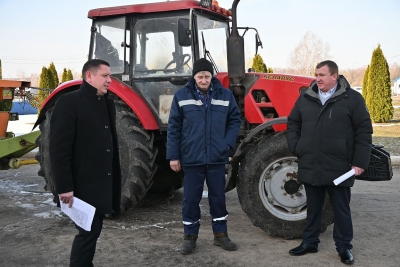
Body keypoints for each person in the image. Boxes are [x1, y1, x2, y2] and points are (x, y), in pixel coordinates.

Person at [286, 60, 372, 265]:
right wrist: (297, 147)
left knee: (340, 208)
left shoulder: (352, 99)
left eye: (322, 75)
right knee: (313, 206)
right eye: (316, 74)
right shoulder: (306, 98)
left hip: (339, 165)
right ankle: (310, 242)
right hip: (311, 161)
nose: (318, 78)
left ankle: (344, 247)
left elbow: (364, 131)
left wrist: (359, 162)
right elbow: (293, 122)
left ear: (335, 76)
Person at [50, 59, 121, 266]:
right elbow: (59, 150)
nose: (109, 80)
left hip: (100, 183)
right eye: (105, 76)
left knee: (92, 231)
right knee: (88, 232)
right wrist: (64, 187)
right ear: (89, 76)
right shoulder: (69, 102)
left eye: (110, 76)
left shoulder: (106, 102)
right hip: (81, 185)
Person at [167, 58, 241, 255]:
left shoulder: (225, 95)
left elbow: (235, 120)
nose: (204, 79)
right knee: (191, 199)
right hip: (192, 158)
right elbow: (174, 128)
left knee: (218, 198)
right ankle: (189, 238)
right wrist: (174, 156)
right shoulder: (181, 96)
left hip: (216, 157)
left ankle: (221, 235)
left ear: (211, 77)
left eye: (207, 76)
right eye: (200, 76)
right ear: (194, 77)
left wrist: (226, 144)